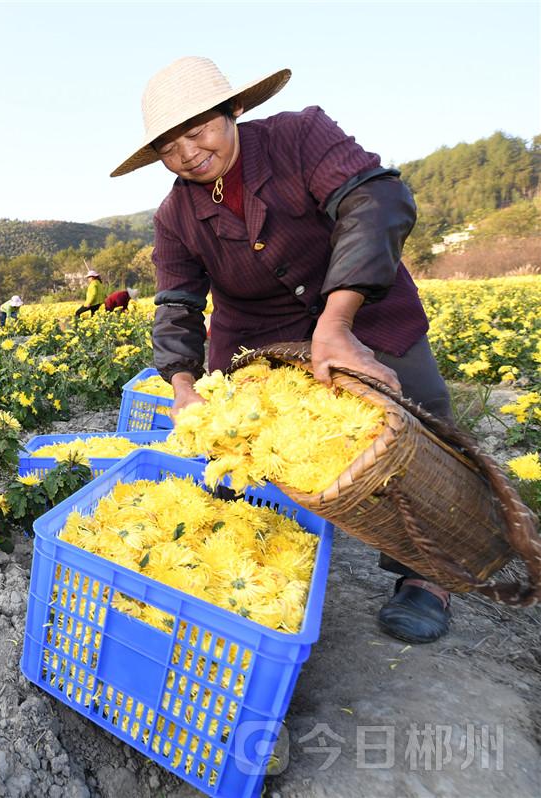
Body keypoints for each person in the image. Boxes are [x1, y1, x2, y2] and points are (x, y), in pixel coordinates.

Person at [110, 56, 454, 643]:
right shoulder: (174, 215)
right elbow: (178, 305)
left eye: (200, 131)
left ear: (235, 110)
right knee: (244, 452)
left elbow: (377, 202)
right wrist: (185, 389)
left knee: (414, 423)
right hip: (257, 339)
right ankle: (254, 562)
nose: (188, 153)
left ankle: (425, 574)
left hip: (363, 308)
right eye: (169, 146)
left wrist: (337, 319)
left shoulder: (300, 136)